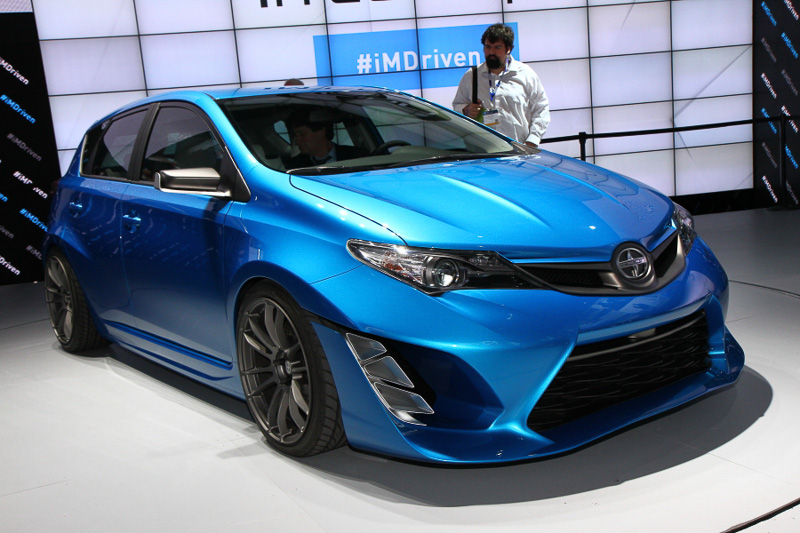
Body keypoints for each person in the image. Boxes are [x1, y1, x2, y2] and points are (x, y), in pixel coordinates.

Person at [453, 24, 550, 147]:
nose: (491, 52)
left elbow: (541, 109)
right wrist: (466, 110)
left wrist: (532, 141)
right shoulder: (472, 75)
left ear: (508, 49)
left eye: (497, 47)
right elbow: (457, 105)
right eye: (488, 47)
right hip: (482, 150)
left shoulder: (525, 74)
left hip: (518, 149)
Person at [284, 110, 365, 169]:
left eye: (302, 134)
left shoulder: (358, 157)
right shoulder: (293, 167)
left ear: (321, 132)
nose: (297, 141)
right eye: (295, 135)